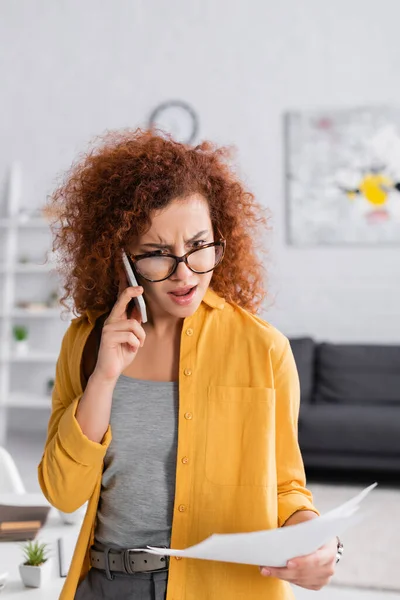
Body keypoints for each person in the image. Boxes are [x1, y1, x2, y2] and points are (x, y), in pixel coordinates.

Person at [38, 129, 341, 600]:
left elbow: (285, 488)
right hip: (107, 585)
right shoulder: (84, 343)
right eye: (158, 254)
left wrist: (318, 543)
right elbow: (62, 492)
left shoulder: (264, 349)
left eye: (200, 247)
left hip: (221, 589)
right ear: (122, 257)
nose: (185, 274)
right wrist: (103, 377)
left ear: (221, 239)